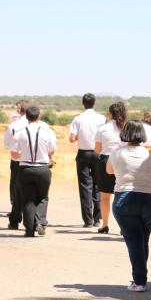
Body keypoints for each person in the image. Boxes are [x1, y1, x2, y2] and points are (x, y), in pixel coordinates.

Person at [107, 121, 151, 292]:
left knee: (134, 241)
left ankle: (139, 280)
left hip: (124, 199)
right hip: (150, 199)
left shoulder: (117, 153)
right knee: (143, 239)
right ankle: (140, 276)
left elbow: (109, 170)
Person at [10, 105, 56, 237]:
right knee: (43, 197)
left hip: (25, 169)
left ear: (26, 117)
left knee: (28, 199)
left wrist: (22, 155)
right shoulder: (47, 132)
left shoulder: (20, 132)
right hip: (43, 168)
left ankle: (29, 230)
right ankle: (40, 221)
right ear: (38, 116)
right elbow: (52, 150)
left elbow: (13, 153)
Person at [69, 93, 106, 227]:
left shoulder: (78, 118)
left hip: (83, 154)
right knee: (98, 184)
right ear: (94, 103)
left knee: (85, 186)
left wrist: (82, 137)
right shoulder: (101, 118)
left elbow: (72, 139)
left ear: (83, 103)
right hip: (98, 153)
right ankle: (97, 218)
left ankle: (88, 220)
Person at [95, 102, 127, 234]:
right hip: (123, 160)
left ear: (110, 114)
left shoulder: (102, 128)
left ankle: (105, 224)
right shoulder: (126, 127)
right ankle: (123, 226)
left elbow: (97, 149)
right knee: (123, 194)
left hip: (106, 160)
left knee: (105, 196)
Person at [4, 100, 30, 229]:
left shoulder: (14, 126)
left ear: (19, 110)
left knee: (16, 190)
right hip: (33, 162)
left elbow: (7, 144)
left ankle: (15, 217)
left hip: (17, 161)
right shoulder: (41, 126)